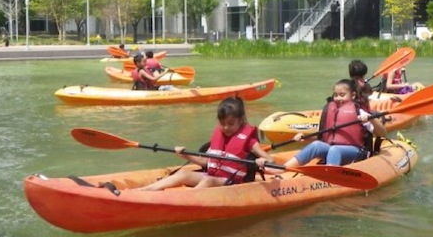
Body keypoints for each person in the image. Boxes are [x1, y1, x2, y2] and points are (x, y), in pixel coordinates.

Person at [140, 97, 269, 190]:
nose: (225, 128)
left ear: (240, 121)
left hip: (230, 182)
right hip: (211, 176)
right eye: (222, 124)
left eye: (230, 124)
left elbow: (270, 159)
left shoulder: (250, 142)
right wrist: (185, 155)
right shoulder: (219, 138)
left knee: (209, 180)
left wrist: (262, 160)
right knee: (183, 174)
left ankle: (184, 201)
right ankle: (146, 190)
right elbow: (205, 163)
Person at [273, 79, 387, 168]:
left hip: (355, 151)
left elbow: (382, 133)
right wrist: (305, 137)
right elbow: (323, 135)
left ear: (353, 95)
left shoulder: (359, 112)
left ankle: (330, 176)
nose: (338, 98)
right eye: (335, 95)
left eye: (342, 95)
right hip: (333, 149)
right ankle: (283, 168)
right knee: (316, 145)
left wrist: (371, 119)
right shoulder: (330, 110)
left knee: (335, 149)